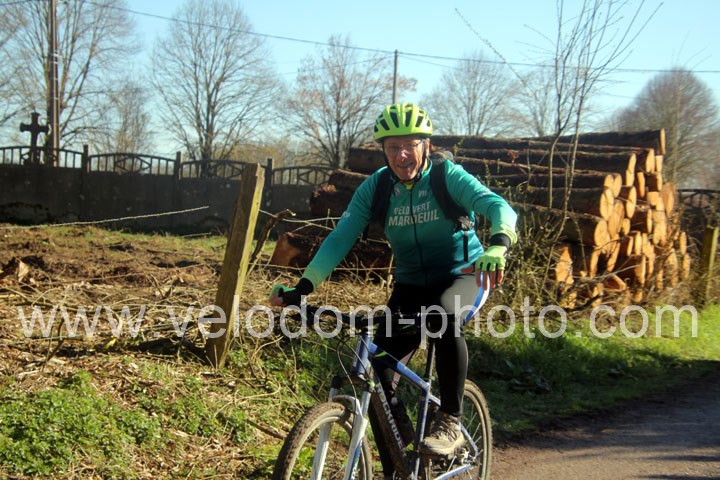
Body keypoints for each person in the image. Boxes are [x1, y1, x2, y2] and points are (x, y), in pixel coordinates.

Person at [270, 103, 517, 474]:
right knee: (379, 372)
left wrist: (498, 245)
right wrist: (303, 287)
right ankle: (401, 464)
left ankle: (450, 420)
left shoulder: (446, 176)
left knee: (444, 318)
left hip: (463, 275)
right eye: (392, 147)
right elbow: (340, 237)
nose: (401, 155)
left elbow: (497, 206)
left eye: (409, 145)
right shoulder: (378, 187)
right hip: (411, 284)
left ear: (425, 145)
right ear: (382, 151)